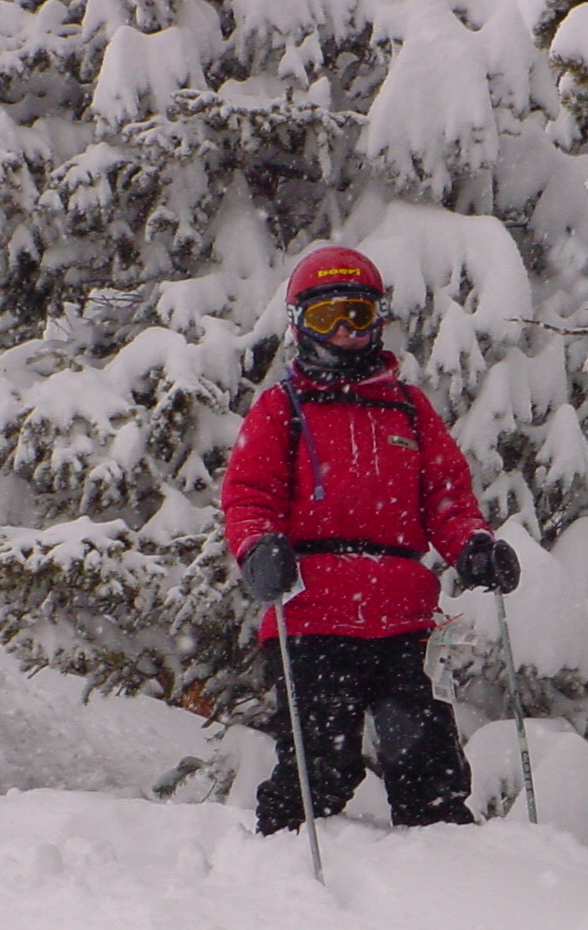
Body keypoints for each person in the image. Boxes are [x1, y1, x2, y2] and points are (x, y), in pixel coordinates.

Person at [221, 245, 520, 836]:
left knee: (429, 769)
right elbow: (249, 495)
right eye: (328, 316)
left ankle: (454, 880)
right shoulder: (283, 408)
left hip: (403, 616)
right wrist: (258, 548)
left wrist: (474, 545)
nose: (344, 333)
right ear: (299, 324)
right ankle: (281, 859)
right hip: (314, 612)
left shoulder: (407, 411)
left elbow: (447, 499)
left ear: (378, 322)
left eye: (358, 316)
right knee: (320, 767)